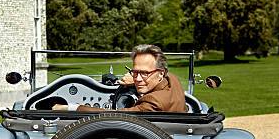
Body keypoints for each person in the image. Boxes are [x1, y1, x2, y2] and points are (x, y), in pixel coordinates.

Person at [52, 44, 186, 113]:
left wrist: (71, 108)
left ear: (160, 73)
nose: (138, 79)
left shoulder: (153, 102)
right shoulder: (173, 81)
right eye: (135, 72)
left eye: (144, 73)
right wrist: (139, 77)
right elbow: (150, 77)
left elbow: (115, 116)